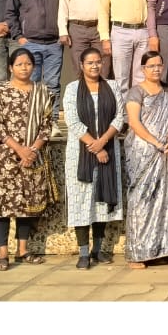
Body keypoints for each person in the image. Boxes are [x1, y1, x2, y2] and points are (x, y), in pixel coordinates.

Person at [0, 48, 56, 271]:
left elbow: (47, 126)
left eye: (28, 64)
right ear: (10, 67)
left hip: (32, 158)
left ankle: (22, 250)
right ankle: (2, 253)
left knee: (27, 203)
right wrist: (19, 150)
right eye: (19, 64)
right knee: (2, 204)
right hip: (5, 158)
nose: (24, 68)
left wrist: (32, 151)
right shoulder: (1, 91)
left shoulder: (42, 92)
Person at [123, 51, 168, 268]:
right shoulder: (136, 92)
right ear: (143, 69)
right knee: (141, 201)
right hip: (142, 152)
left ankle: (161, 250)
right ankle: (137, 253)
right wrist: (157, 143)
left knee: (163, 201)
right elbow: (134, 123)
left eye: (159, 65)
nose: (156, 69)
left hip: (165, 153)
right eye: (151, 66)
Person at [62, 47, 124, 270]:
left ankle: (97, 250)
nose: (95, 66)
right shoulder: (72, 89)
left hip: (108, 150)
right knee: (81, 200)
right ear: (81, 65)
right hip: (81, 154)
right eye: (90, 62)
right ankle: (83, 252)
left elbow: (120, 117)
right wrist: (96, 147)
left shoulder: (112, 86)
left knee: (101, 199)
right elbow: (72, 120)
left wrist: (103, 141)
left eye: (98, 61)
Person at [6, 0, 64, 111]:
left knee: (53, 84)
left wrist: (63, 34)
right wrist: (18, 36)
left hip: (54, 43)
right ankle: (31, 118)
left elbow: (68, 10)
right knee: (31, 82)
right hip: (30, 43)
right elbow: (10, 12)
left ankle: (51, 120)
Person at [99, 0, 158, 93]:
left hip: (143, 30)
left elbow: (151, 3)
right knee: (121, 78)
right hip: (120, 31)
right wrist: (105, 37)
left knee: (142, 76)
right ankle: (122, 109)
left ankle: (137, 107)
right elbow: (103, 9)